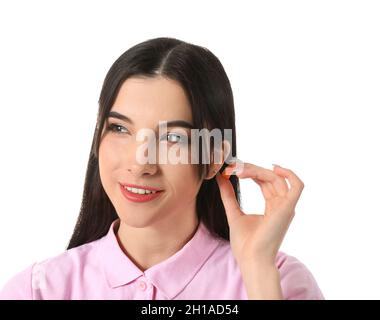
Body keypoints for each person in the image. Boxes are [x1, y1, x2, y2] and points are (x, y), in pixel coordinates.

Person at [0, 37, 324, 300]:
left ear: (213, 157)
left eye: (171, 137)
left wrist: (256, 271)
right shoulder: (37, 291)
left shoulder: (279, 280)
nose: (140, 164)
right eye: (120, 129)